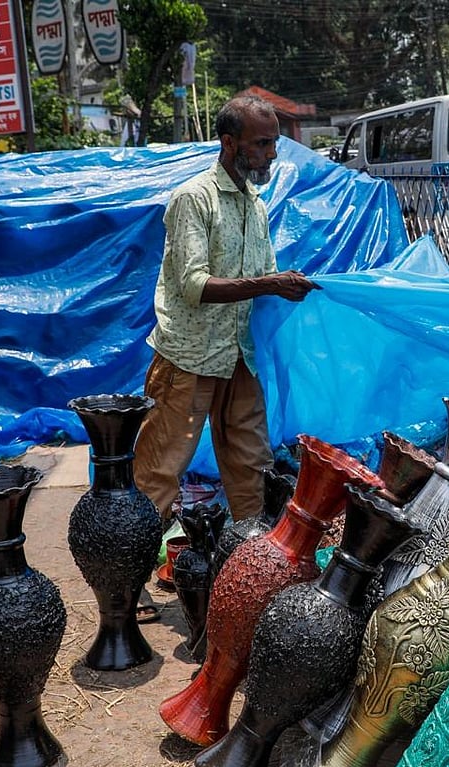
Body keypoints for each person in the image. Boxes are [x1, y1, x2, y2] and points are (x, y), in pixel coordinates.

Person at [133, 95, 319, 524]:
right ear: (229, 143)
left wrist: (297, 287)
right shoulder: (193, 199)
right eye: (262, 143)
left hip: (239, 357)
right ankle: (128, 574)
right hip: (190, 357)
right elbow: (194, 285)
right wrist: (271, 283)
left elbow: (267, 276)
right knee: (161, 468)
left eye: (274, 143)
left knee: (250, 466)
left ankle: (247, 559)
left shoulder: (255, 205)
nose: (271, 153)